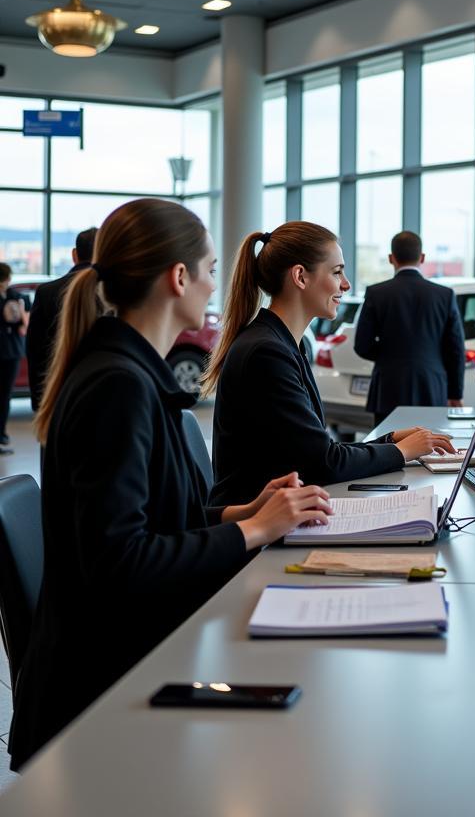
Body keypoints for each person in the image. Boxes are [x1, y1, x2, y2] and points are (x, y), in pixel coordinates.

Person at [9, 199, 332, 770]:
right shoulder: (119, 386)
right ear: (178, 278)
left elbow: (152, 522)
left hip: (125, 660)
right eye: (208, 270)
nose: (215, 286)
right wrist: (256, 530)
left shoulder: (128, 373)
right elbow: (121, 562)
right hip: (105, 691)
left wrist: (242, 513)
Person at [205, 222, 455, 508]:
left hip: (283, 511)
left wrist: (390, 440)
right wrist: (401, 452)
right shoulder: (267, 352)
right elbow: (323, 463)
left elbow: (317, 451)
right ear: (300, 276)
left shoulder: (281, 342)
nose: (346, 284)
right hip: (260, 534)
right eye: (337, 272)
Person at [355, 230, 465, 427]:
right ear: (422, 258)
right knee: (432, 450)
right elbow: (455, 349)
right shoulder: (444, 295)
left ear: (391, 258)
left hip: (388, 387)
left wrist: (390, 355)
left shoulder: (376, 293)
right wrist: (455, 393)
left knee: (387, 448)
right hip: (432, 387)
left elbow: (362, 345)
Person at [25, 226, 97, 412]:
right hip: (101, 396)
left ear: (75, 254)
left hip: (57, 396)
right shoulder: (117, 294)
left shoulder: (47, 292)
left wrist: (40, 404)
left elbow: (35, 352)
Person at [0, 262, 30, 453]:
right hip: (9, 352)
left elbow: (23, 322)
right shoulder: (13, 297)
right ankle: (0, 435)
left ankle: (1, 435)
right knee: (3, 396)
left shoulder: (14, 296)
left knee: (3, 396)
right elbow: (23, 324)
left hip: (9, 352)